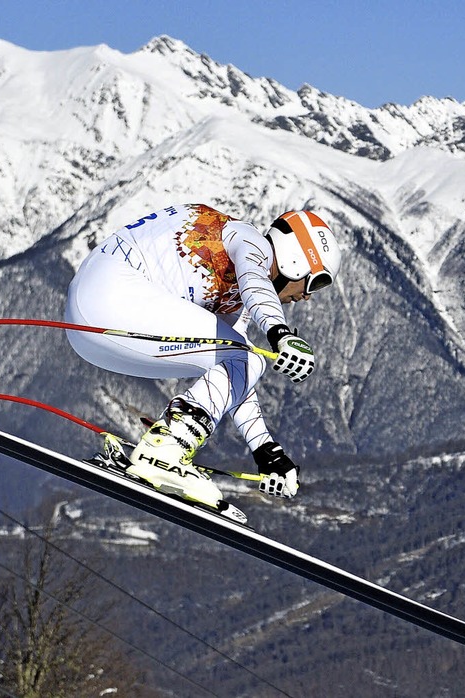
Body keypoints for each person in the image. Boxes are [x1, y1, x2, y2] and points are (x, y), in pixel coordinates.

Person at [65, 203, 341, 514]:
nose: (307, 296)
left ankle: (162, 449)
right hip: (110, 297)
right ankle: (165, 451)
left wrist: (266, 451)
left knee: (242, 358)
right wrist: (280, 333)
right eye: (315, 281)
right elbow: (255, 282)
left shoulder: (240, 289)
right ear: (295, 259)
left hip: (89, 325)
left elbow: (235, 371)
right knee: (246, 356)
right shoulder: (249, 241)